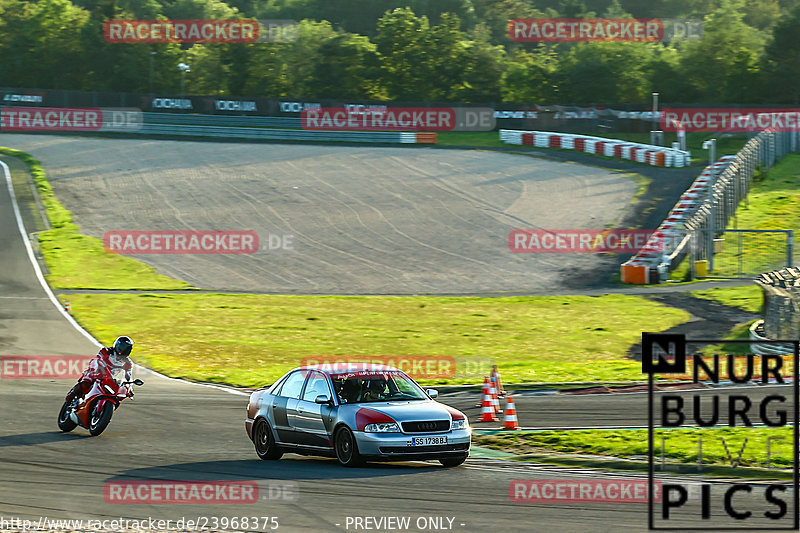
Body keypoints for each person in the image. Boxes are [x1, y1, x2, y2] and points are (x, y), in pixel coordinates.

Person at [66, 336, 134, 402]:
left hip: (112, 379)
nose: (124, 350)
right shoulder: (106, 351)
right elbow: (98, 359)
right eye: (123, 348)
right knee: (87, 383)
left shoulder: (128, 363)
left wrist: (129, 387)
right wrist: (99, 370)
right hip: (97, 371)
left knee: (119, 395)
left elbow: (128, 376)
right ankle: (71, 395)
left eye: (127, 349)